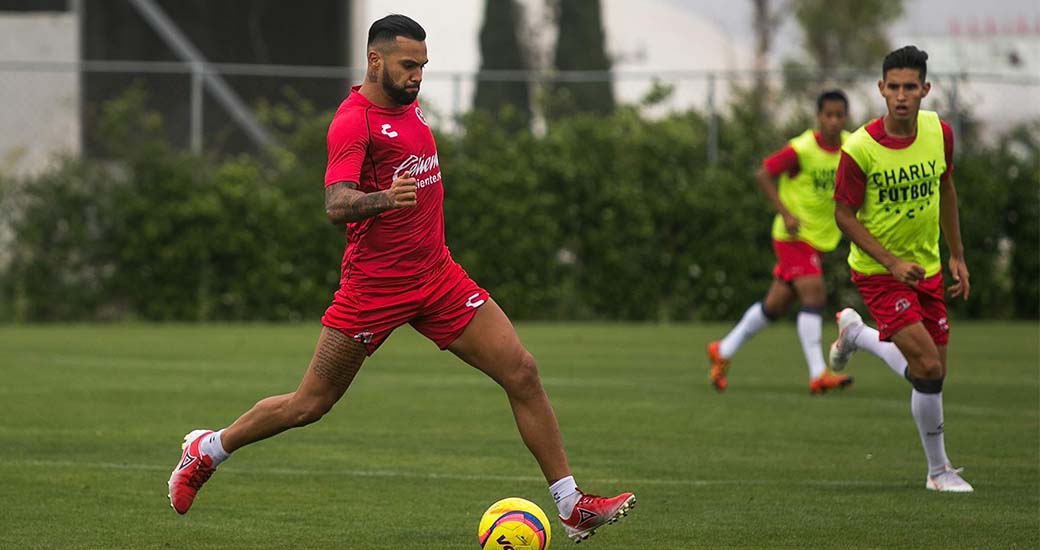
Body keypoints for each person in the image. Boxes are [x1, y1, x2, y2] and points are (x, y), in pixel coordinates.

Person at [167, 14, 636, 540]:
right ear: (375, 60)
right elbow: (335, 202)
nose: (417, 76)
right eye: (407, 65)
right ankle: (207, 450)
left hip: (438, 279)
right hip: (374, 290)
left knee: (522, 371)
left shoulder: (409, 110)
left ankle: (571, 505)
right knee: (308, 406)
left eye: (423, 66)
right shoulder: (353, 122)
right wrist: (383, 199)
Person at [828, 45, 973, 492]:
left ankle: (858, 336)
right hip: (878, 273)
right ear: (881, 90)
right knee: (927, 367)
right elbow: (843, 216)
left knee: (929, 375)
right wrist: (889, 261)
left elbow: (945, 188)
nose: (902, 95)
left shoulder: (939, 133)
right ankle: (938, 471)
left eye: (911, 87)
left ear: (925, 89)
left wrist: (957, 255)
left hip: (926, 268)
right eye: (894, 87)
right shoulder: (860, 148)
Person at [706, 90, 854, 394]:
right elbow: (763, 174)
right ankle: (818, 374)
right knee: (814, 296)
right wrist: (785, 213)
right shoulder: (801, 149)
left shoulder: (852, 147)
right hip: (793, 237)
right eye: (829, 115)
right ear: (818, 117)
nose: (834, 121)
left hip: (819, 239)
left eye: (840, 115)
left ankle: (723, 350)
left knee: (774, 307)